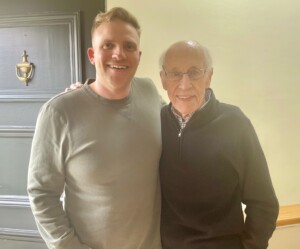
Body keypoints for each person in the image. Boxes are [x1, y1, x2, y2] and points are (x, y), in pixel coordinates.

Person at [27, 7, 163, 249]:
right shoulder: (59, 113)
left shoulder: (151, 93)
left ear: (139, 56)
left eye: (129, 46)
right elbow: (41, 195)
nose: (119, 54)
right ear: (92, 54)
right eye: (108, 45)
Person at [159, 40, 279, 249]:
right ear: (163, 79)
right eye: (175, 73)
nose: (184, 84)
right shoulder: (156, 122)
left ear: (209, 76)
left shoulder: (235, 123)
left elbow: (263, 203)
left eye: (195, 72)